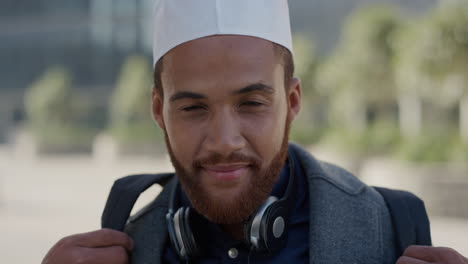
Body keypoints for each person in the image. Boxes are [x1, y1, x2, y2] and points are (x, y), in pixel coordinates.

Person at [42, 1, 468, 263]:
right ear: (158, 110)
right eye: (193, 108)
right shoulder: (126, 243)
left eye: (251, 103)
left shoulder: (391, 231)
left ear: (293, 102)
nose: (225, 140)